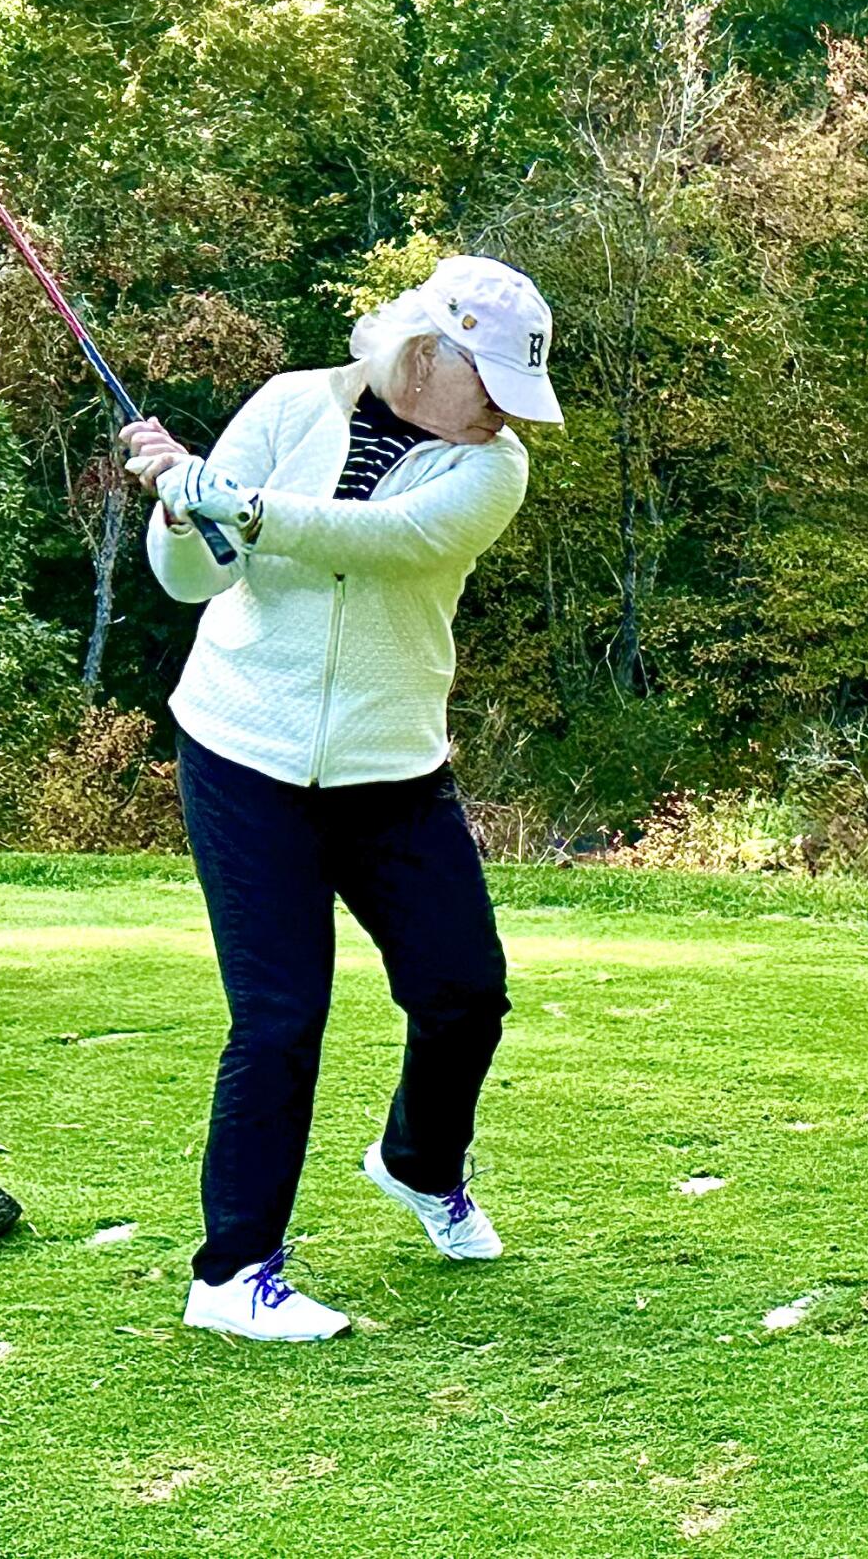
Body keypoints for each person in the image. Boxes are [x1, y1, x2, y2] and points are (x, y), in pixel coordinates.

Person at [122, 254, 562, 1342]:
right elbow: (195, 579)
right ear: (428, 352)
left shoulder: (492, 469)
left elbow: (389, 544)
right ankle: (231, 1276)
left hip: (391, 769)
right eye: (495, 382)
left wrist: (243, 504)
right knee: (278, 1015)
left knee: (465, 992)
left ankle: (417, 1163)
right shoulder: (286, 405)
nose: (508, 412)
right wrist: (185, 512)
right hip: (241, 755)